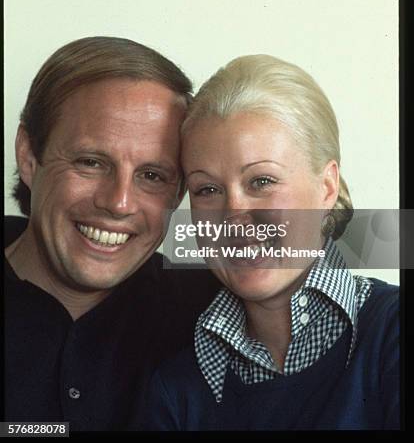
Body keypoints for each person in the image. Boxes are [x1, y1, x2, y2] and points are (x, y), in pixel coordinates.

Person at [143, 54, 399, 430]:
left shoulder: (391, 333)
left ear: (326, 187)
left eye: (261, 181)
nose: (233, 213)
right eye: (207, 189)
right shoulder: (175, 387)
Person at [4, 36, 220, 431]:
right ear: (29, 156)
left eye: (152, 176)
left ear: (178, 192)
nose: (119, 203)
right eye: (91, 162)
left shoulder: (213, 311)